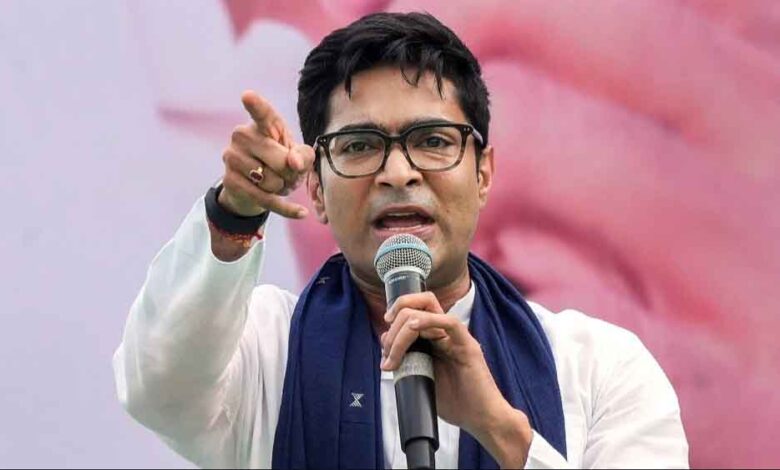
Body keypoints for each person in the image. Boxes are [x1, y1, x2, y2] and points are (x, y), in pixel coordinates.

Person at [114, 12, 688, 469]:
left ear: (483, 174)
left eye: (433, 141)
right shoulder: (268, 348)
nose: (397, 173)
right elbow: (159, 387)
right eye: (359, 146)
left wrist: (501, 430)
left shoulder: (597, 367)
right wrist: (234, 214)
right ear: (317, 188)